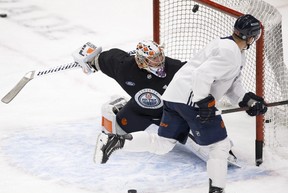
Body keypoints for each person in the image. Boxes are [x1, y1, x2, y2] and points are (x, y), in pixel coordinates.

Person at [94, 14, 267, 193]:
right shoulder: (231, 54)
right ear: (252, 37)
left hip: (175, 96)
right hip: (192, 98)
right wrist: (202, 101)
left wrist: (247, 99)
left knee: (163, 143)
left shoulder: (227, 48)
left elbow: (230, 85)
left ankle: (115, 141)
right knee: (220, 145)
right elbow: (203, 76)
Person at [72, 40, 238, 164]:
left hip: (169, 113)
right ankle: (119, 107)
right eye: (153, 59)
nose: (159, 61)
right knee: (121, 130)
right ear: (141, 61)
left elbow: (202, 78)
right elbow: (100, 58)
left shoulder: (177, 69)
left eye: (160, 56)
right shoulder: (123, 66)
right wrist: (89, 59)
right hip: (138, 111)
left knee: (201, 146)